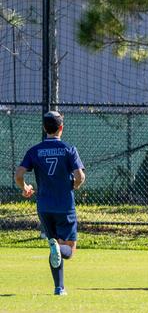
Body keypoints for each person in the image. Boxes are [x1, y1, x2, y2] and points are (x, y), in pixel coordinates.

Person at [14, 110, 86, 295]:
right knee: (68, 249)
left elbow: (19, 175)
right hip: (64, 206)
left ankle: (59, 287)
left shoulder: (34, 150)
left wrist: (25, 187)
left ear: (44, 128)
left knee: (54, 244)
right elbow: (80, 176)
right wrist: (74, 185)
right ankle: (59, 254)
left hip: (44, 207)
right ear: (61, 128)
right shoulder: (69, 149)